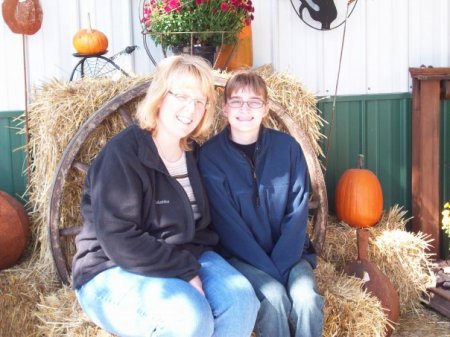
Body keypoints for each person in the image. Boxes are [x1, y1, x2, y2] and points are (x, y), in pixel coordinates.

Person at [71, 55, 259, 337]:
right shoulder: (123, 154)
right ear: (160, 97)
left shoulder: (195, 154)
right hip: (113, 267)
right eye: (182, 96)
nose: (190, 108)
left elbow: (207, 227)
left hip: (184, 254)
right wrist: (185, 271)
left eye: (200, 100)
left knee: (242, 301)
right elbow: (119, 239)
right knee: (189, 317)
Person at [198, 70, 324, 337]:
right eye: (236, 101)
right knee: (274, 298)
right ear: (224, 108)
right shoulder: (210, 157)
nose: (245, 109)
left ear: (265, 108)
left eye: (254, 101)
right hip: (241, 258)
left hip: (291, 255)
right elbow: (228, 225)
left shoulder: (288, 149)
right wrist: (269, 270)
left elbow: (298, 210)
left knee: (307, 301)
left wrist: (281, 262)